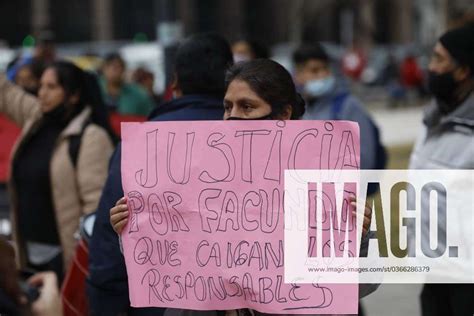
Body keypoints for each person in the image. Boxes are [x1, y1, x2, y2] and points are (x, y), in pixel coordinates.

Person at [110, 59, 378, 316]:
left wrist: (359, 236)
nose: (232, 118)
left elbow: (364, 282)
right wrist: (133, 228)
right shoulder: (194, 173)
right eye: (228, 107)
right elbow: (167, 263)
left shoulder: (322, 177)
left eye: (247, 107)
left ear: (283, 114)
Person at [88, 33, 234, 316]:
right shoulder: (257, 140)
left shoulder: (139, 143)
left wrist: (105, 301)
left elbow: (109, 238)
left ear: (175, 82)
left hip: (160, 303)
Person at [0, 61, 115, 279]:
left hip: (66, 262)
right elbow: (5, 93)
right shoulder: (37, 117)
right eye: (41, 85)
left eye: (51, 87)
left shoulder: (91, 137)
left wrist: (82, 264)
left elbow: (96, 211)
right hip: (26, 256)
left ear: (73, 95)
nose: (42, 93)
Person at [409, 23, 474, 316]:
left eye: (438, 59)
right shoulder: (433, 117)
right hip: (435, 272)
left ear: (462, 71)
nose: (430, 67)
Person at [293, 43, 386, 187]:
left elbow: (365, 160)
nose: (322, 75)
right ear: (298, 75)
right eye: (314, 70)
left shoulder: (348, 106)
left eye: (325, 69)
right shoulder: (298, 110)